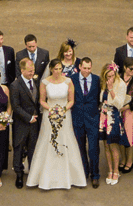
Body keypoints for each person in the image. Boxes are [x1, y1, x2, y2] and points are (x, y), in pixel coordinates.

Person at [27, 58, 88, 189]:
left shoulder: (68, 81)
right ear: (51, 69)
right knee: (47, 140)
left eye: (60, 69)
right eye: (56, 69)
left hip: (64, 115)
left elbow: (71, 100)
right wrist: (51, 109)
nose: (58, 71)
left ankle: (71, 177)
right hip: (50, 115)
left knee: (66, 139)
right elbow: (42, 101)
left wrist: (63, 109)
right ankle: (45, 177)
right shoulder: (45, 82)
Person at [69, 53, 103, 187]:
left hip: (93, 118)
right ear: (79, 67)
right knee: (80, 147)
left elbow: (100, 97)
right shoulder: (72, 79)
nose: (87, 71)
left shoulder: (96, 80)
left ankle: (95, 175)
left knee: (94, 148)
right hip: (77, 118)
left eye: (89, 68)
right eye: (84, 68)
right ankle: (84, 172)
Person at [10, 56, 42, 188]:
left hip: (34, 123)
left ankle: (32, 174)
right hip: (21, 123)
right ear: (22, 70)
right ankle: (18, 174)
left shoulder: (36, 81)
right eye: (29, 71)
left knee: (32, 148)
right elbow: (15, 106)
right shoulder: (15, 85)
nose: (32, 72)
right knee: (18, 147)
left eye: (33, 70)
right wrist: (29, 117)